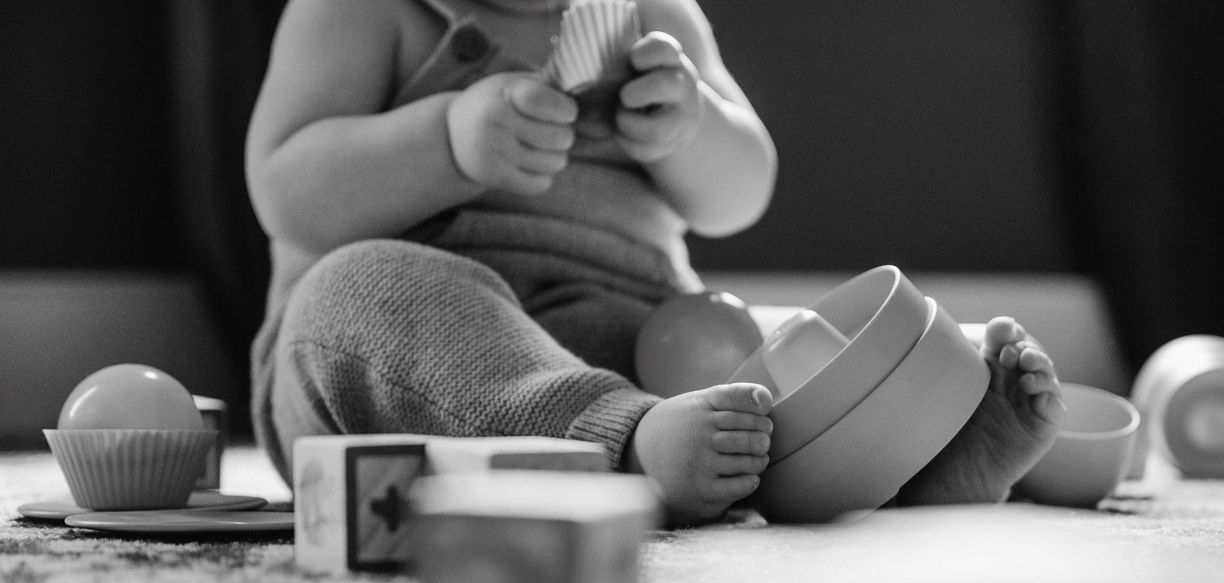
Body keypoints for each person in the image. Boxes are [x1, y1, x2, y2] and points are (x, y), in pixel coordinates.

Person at [246, 0, 1064, 525]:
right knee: (352, 291)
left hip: (648, 348)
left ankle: (914, 467)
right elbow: (287, 192)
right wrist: (448, 143)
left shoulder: (652, 17)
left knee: (777, 354)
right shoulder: (361, 12)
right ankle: (624, 442)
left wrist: (690, 126)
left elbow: (740, 194)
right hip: (410, 370)